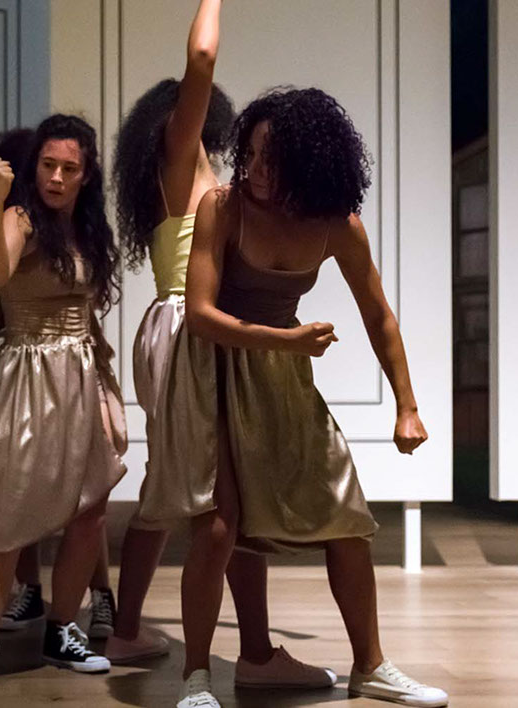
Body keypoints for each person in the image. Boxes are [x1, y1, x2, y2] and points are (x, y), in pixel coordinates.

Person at [176, 86, 449, 708]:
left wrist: (407, 406)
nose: (256, 171)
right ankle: (196, 676)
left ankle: (370, 666)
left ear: (310, 162)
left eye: (273, 160)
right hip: (214, 372)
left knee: (345, 516)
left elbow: (379, 315)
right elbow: (199, 315)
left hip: (283, 375)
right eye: (250, 155)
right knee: (220, 526)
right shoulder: (224, 207)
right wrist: (286, 340)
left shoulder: (336, 224)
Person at [110, 1, 335, 692]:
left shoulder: (187, 176)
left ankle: (134, 630)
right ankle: (236, 659)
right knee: (219, 500)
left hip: (183, 326)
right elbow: (202, 62)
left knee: (183, 488)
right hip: (194, 329)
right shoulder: (181, 158)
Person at [0, 114, 125, 697]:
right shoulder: (20, 216)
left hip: (81, 371)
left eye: (69, 168)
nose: (56, 177)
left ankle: (61, 628)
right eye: (48, 165)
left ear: (86, 174)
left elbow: (87, 306)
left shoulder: (87, 226)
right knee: (4, 512)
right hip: (26, 372)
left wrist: (104, 390)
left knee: (89, 510)